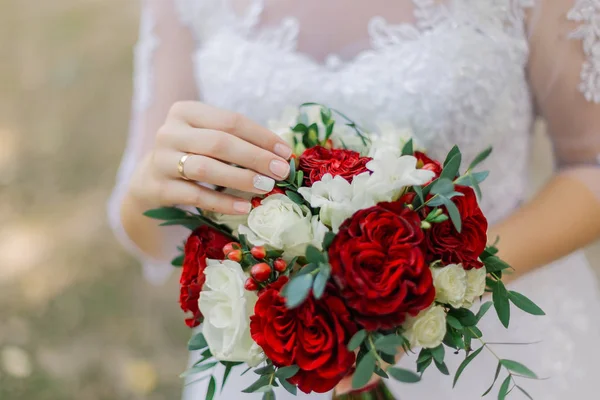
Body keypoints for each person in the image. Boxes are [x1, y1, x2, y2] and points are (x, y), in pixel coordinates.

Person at [108, 0, 600, 398]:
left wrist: (435, 285)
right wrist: (155, 186)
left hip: (486, 338)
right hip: (280, 356)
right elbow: (153, 233)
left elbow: (591, 165)